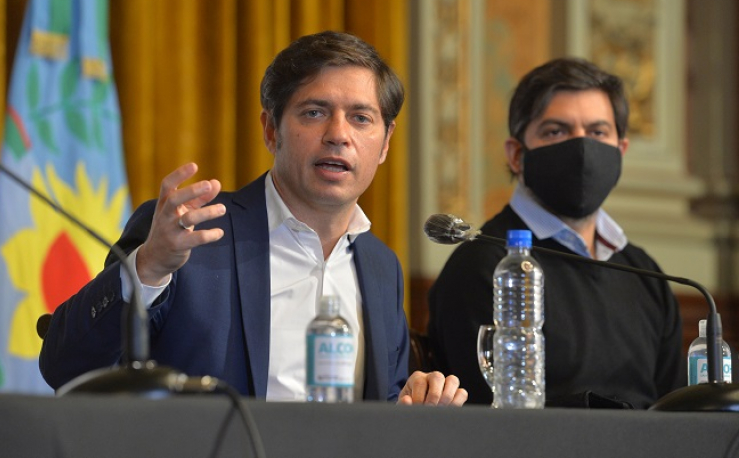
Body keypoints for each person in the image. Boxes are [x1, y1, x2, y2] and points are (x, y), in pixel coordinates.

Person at [40, 30, 467, 406]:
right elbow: (67, 368)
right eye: (315, 112)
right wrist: (149, 266)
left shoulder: (380, 266)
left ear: (386, 143)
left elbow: (378, 409)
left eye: (361, 118)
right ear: (270, 130)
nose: (339, 134)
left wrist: (414, 410)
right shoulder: (189, 235)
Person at [427, 57, 685, 409]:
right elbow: (491, 421)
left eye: (597, 132)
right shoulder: (483, 267)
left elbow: (674, 411)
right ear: (517, 155)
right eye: (556, 131)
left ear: (620, 151)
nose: (581, 149)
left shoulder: (645, 273)